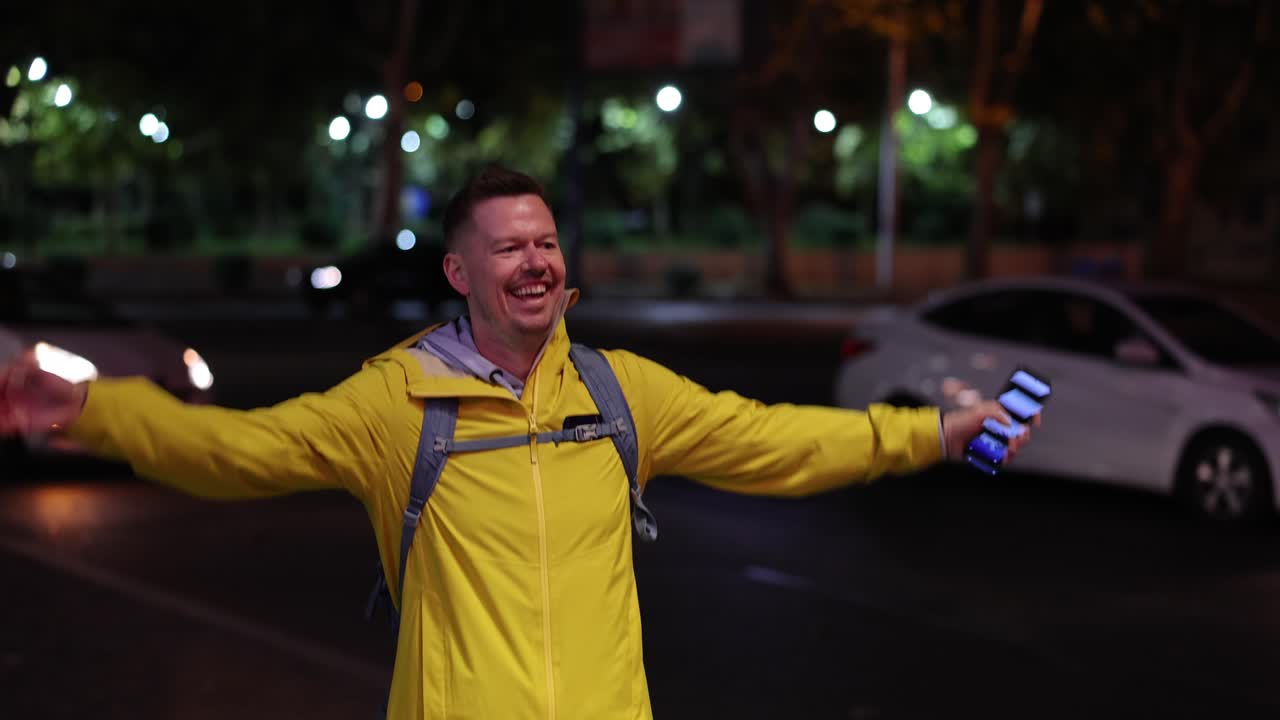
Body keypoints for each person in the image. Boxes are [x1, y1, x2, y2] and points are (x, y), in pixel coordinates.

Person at [0, 165, 1037, 720]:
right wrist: (94, 411)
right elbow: (239, 454)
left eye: (545, 241)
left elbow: (774, 443)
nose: (535, 260)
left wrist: (936, 433)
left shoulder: (619, 391)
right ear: (462, 274)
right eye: (508, 247)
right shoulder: (393, 401)